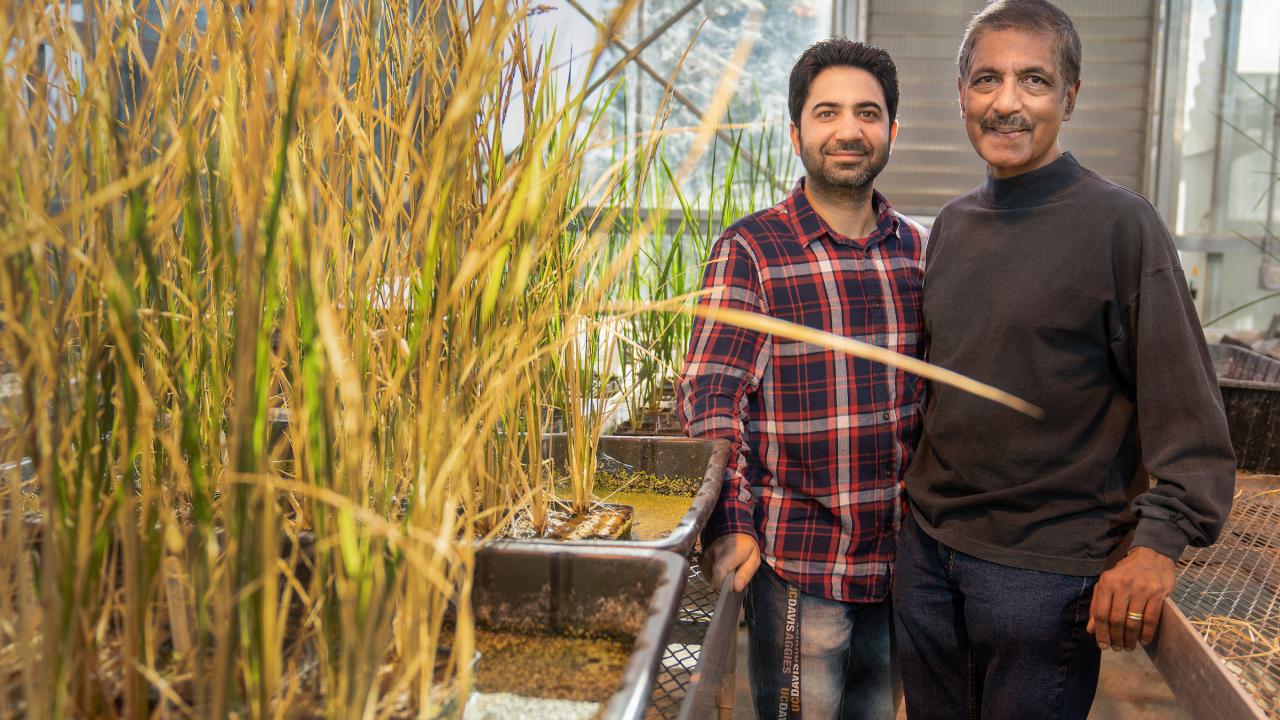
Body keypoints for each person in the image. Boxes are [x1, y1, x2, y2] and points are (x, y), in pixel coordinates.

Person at [892, 1, 1237, 718]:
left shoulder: (1120, 225)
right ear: (961, 93)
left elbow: (1190, 418)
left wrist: (1157, 545)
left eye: (1034, 81)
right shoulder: (953, 226)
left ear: (1070, 96)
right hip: (927, 552)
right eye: (985, 79)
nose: (1006, 102)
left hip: (1043, 577)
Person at [677, 39, 925, 720]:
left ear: (892, 131)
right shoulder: (753, 251)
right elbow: (712, 397)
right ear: (797, 133)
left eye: (868, 114)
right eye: (827, 113)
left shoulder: (918, 252)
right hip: (798, 565)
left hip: (898, 566)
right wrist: (730, 520)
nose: (849, 130)